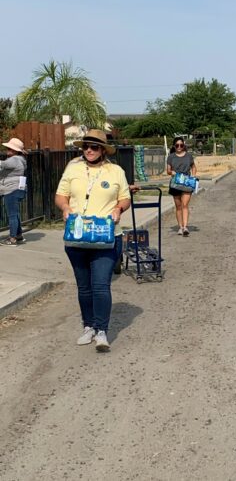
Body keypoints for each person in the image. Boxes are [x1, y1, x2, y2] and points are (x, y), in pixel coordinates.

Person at [55, 129, 131, 351]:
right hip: (77, 237)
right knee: (84, 287)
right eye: (86, 146)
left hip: (106, 237)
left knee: (100, 285)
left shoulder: (115, 171)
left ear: (103, 150)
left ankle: (101, 331)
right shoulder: (73, 168)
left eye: (94, 147)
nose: (89, 150)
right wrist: (65, 207)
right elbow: (60, 195)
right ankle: (88, 326)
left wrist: (118, 209)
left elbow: (125, 198)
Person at [167, 136, 197, 236]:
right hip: (175, 183)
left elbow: (193, 167)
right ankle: (180, 227)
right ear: (174, 146)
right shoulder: (171, 157)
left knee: (185, 205)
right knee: (178, 206)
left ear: (184, 145)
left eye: (181, 145)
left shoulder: (189, 156)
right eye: (177, 145)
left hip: (187, 182)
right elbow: (168, 170)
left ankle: (185, 227)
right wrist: (172, 172)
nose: (179, 147)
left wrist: (193, 176)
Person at [0, 137, 27, 246]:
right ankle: (18, 235)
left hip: (11, 189)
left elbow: (3, 164)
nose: (7, 150)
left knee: (12, 215)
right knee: (15, 214)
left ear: (15, 151)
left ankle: (12, 239)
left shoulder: (14, 159)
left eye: (10, 148)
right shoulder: (20, 160)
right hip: (17, 189)